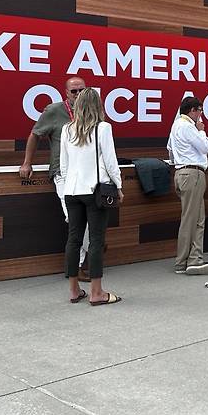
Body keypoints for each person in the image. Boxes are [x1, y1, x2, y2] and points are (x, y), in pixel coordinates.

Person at [20, 77, 91, 279]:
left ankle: (85, 256)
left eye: (81, 90)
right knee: (74, 217)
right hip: (63, 172)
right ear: (66, 93)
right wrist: (27, 162)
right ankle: (82, 259)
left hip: (86, 172)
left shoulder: (91, 111)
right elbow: (35, 134)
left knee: (87, 217)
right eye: (74, 91)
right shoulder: (54, 110)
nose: (78, 95)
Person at [60, 88, 123, 305]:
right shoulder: (103, 128)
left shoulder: (67, 129)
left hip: (71, 190)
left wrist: (68, 187)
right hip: (94, 191)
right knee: (96, 240)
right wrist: (119, 185)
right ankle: (97, 293)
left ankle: (74, 290)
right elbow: (111, 161)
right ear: (98, 105)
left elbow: (64, 165)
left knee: (73, 240)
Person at [167, 96, 208, 276]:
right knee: (191, 219)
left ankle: (194, 259)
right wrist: (202, 131)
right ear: (193, 110)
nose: (201, 116)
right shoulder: (188, 126)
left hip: (183, 172)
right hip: (192, 173)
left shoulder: (175, 126)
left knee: (197, 219)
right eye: (200, 111)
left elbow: (170, 150)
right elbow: (204, 148)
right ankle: (183, 261)